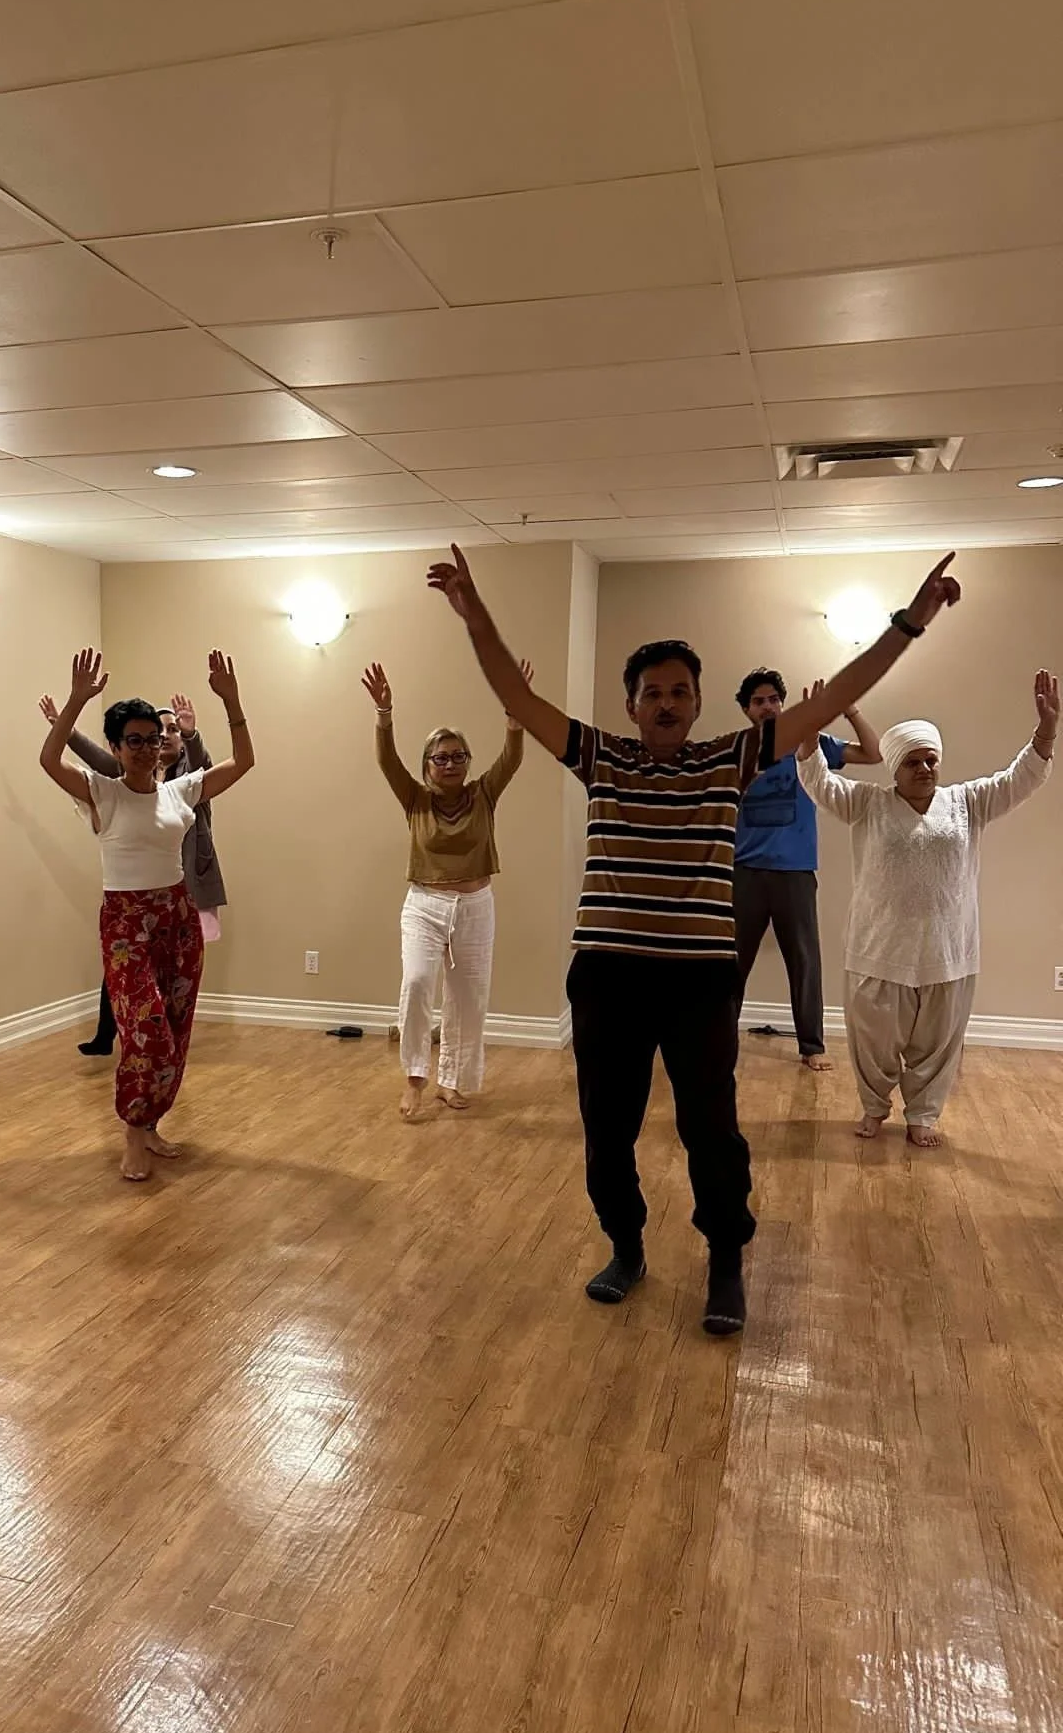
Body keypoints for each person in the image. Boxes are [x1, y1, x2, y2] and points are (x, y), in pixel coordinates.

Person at [427, 542, 963, 1336]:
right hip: (607, 975)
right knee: (608, 1130)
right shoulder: (600, 756)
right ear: (632, 705)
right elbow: (514, 691)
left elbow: (840, 694)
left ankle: (725, 1259)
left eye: (680, 690)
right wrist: (474, 614)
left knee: (710, 1130)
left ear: (699, 700)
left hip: (700, 981)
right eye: (653, 692)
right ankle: (626, 1247)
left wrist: (909, 622)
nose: (667, 702)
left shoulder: (733, 757)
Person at [799, 673, 1056, 1146]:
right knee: (873, 1041)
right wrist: (809, 739)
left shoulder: (967, 802)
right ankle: (874, 1107)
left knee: (937, 1044)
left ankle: (923, 1115)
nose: (924, 769)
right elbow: (819, 782)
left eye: (931, 760)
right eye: (913, 762)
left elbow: (1017, 781)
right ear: (894, 768)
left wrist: (1045, 732)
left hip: (947, 949)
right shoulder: (867, 803)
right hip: (879, 948)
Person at [41, 647, 253, 1181]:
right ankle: (133, 1133)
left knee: (175, 1031)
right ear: (115, 747)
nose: (144, 748)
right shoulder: (101, 793)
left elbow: (243, 762)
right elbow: (49, 761)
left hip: (177, 918)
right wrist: (76, 700)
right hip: (125, 924)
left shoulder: (181, 791)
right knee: (146, 1031)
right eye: (132, 740)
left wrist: (231, 701)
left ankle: (152, 1123)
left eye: (152, 739)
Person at [360, 658, 530, 1118]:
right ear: (427, 765)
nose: (450, 763)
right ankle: (415, 1078)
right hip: (425, 905)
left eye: (458, 756)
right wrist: (384, 713)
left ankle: (451, 1081)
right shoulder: (414, 798)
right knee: (417, 983)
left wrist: (515, 717)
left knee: (468, 999)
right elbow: (386, 760)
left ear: (467, 762)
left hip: (476, 906)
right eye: (441, 757)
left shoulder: (483, 794)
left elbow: (511, 759)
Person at [40, 691, 227, 1056]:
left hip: (179, 899)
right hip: (128, 909)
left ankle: (147, 1067)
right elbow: (94, 758)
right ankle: (111, 1039)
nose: (160, 740)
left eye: (166, 733)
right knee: (137, 1001)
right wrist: (68, 721)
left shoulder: (184, 782)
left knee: (169, 1015)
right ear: (121, 747)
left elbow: (209, 765)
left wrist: (192, 733)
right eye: (146, 737)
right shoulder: (117, 785)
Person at [732, 668, 883, 1070]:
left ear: (782, 704)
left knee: (804, 961)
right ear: (747, 709)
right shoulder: (737, 750)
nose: (768, 707)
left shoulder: (810, 742)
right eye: (758, 701)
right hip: (745, 872)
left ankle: (811, 1047)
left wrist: (848, 709)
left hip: (795, 872)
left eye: (773, 700)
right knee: (731, 964)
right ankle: (718, 1042)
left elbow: (873, 753)